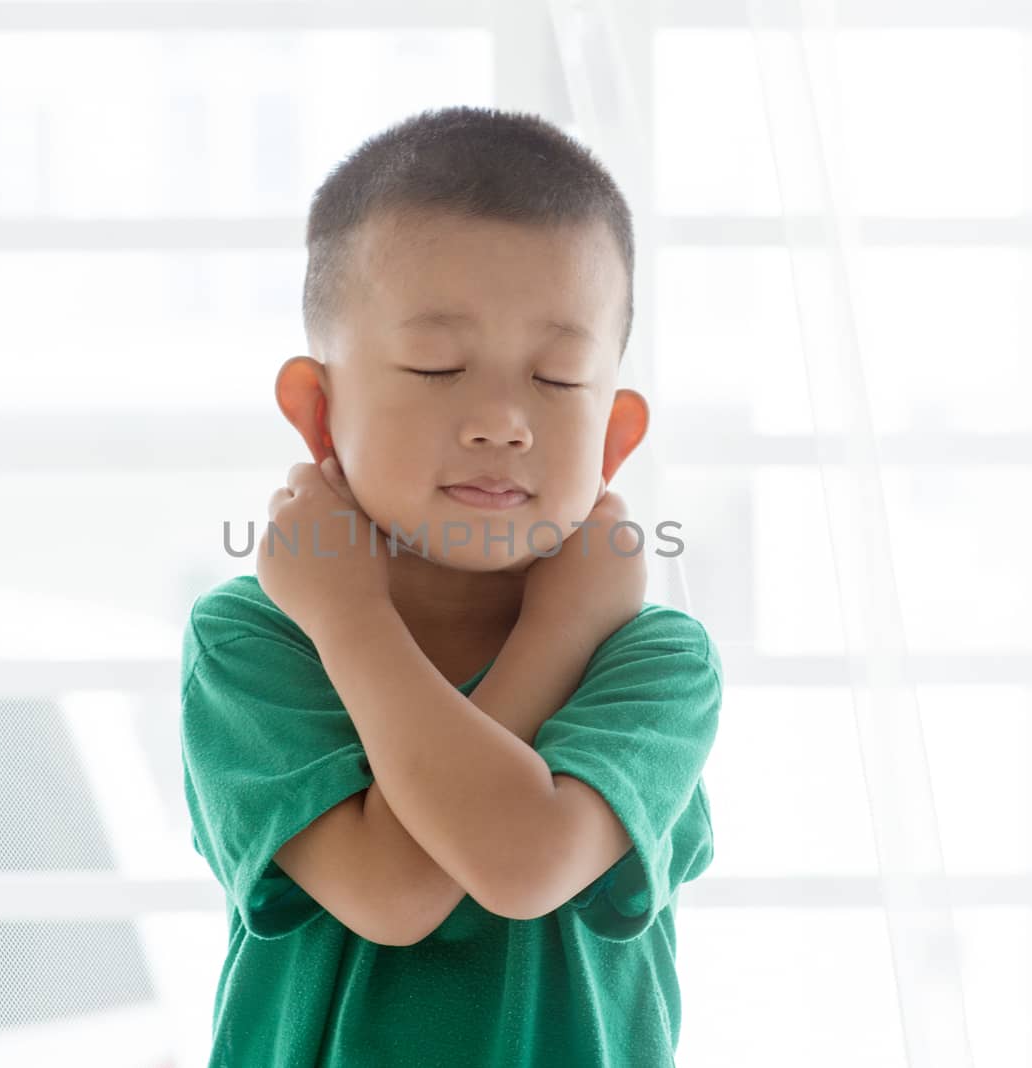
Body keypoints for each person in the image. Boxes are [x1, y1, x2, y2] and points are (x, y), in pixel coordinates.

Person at [180, 105, 722, 1067]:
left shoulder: (656, 663)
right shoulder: (258, 642)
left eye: (558, 380)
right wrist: (350, 617)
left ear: (616, 436)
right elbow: (394, 894)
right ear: (318, 411)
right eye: (437, 365)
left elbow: (522, 862)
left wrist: (569, 629)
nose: (505, 420)